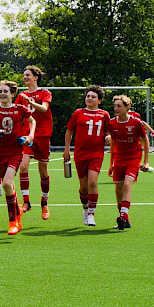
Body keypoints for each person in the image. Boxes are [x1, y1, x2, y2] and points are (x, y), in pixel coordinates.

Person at [0, 81, 35, 235]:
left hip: (16, 151)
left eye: (6, 91)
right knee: (9, 186)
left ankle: (12, 222)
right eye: (0, 91)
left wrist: (30, 136)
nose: (3, 93)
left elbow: (33, 121)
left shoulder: (20, 109)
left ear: (12, 94)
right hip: (1, 153)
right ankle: (17, 213)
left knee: (6, 183)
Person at [63, 85, 112, 227]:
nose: (89, 98)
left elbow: (108, 132)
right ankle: (85, 208)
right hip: (80, 153)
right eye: (88, 96)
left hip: (96, 153)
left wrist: (108, 137)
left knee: (92, 182)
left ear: (99, 101)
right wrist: (67, 149)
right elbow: (69, 131)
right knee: (83, 187)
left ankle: (91, 213)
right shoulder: (78, 113)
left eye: (93, 97)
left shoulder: (104, 115)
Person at [14, 66, 53, 220]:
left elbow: (44, 109)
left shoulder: (44, 92)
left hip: (42, 134)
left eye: (28, 75)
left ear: (36, 77)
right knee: (23, 166)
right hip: (26, 135)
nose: (25, 77)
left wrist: (31, 102)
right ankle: (26, 202)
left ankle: (44, 203)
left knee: (43, 171)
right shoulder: (21, 95)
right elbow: (16, 113)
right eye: (24, 75)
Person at [108, 95, 150, 230]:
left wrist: (146, 161)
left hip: (133, 157)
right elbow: (113, 144)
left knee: (127, 184)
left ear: (127, 107)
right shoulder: (112, 123)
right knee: (118, 190)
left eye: (119, 106)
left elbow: (145, 140)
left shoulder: (136, 122)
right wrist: (111, 164)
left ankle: (123, 216)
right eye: (115, 106)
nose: (116, 108)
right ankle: (125, 219)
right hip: (119, 158)